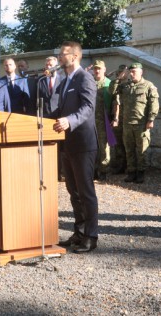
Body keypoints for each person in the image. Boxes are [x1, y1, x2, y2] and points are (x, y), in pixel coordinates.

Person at [53, 41, 99, 253]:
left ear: (74, 57)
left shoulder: (85, 78)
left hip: (83, 143)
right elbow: (57, 111)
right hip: (67, 144)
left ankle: (91, 236)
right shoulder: (63, 81)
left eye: (63, 55)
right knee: (73, 191)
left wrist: (69, 121)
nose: (60, 58)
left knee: (85, 191)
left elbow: (88, 108)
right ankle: (79, 232)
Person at [112, 62, 160, 184]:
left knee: (141, 150)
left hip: (141, 124)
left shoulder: (148, 86)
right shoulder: (125, 86)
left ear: (141, 72)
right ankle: (131, 172)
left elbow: (154, 104)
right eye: (131, 71)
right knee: (129, 149)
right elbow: (112, 91)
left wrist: (151, 119)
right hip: (127, 124)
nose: (132, 74)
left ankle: (140, 173)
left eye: (134, 72)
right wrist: (119, 78)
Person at [90, 60, 113, 181]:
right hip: (90, 120)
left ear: (104, 69)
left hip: (104, 120)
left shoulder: (109, 84)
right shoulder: (90, 83)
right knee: (92, 146)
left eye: (99, 68)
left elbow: (115, 102)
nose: (97, 70)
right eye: (95, 68)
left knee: (104, 146)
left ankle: (103, 170)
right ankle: (93, 170)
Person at [108, 65, 129, 174]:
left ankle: (129, 166)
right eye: (119, 72)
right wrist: (117, 79)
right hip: (116, 117)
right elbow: (111, 91)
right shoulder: (114, 83)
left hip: (127, 117)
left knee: (128, 143)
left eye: (123, 72)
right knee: (118, 142)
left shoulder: (130, 84)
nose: (121, 74)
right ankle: (120, 165)